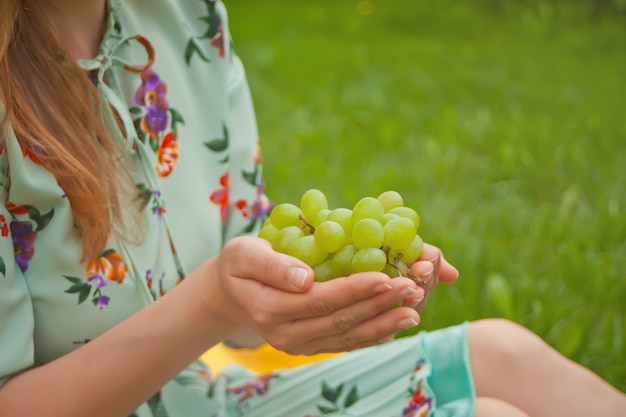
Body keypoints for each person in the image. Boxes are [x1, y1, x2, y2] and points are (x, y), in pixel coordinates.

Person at [0, 1, 624, 416]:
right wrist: (213, 302)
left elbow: (244, 316)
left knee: (503, 352)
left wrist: (319, 299)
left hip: (201, 400)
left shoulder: (186, 16)